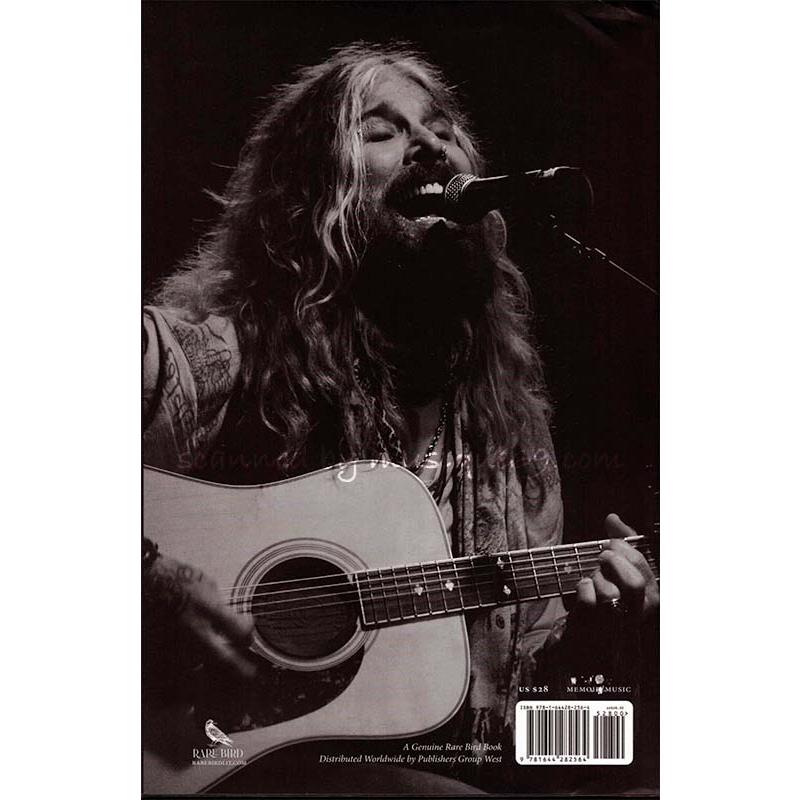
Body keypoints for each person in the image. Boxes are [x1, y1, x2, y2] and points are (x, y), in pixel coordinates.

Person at [143, 42, 658, 794]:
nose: (428, 145)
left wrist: (606, 641)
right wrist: (147, 580)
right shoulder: (211, 355)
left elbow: (536, 743)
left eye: (443, 130)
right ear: (308, 195)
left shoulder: (513, 442)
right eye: (381, 132)